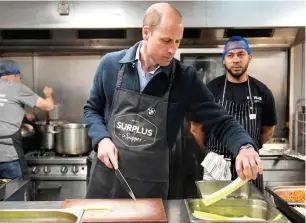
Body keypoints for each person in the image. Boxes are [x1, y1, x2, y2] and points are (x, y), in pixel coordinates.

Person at [84, 3, 263, 199]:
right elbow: (92, 110)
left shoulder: (184, 78)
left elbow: (221, 121)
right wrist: (101, 139)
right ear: (146, 33)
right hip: (107, 179)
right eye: (166, 40)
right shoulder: (110, 65)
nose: (172, 50)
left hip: (149, 187)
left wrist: (244, 147)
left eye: (177, 41)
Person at [190, 36, 277, 191]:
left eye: (241, 54)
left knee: (251, 212)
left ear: (249, 57)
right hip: (217, 165)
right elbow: (196, 129)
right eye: (230, 55)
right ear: (224, 60)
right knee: (215, 212)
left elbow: (268, 131)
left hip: (250, 167)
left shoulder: (263, 92)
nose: (236, 60)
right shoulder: (210, 90)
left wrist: (252, 148)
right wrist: (212, 152)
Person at [0, 60, 55, 180]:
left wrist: (24, 113)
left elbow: (5, 105)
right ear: (15, 75)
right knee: (17, 194)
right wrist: (49, 94)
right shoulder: (17, 87)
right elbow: (48, 106)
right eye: (20, 77)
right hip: (9, 156)